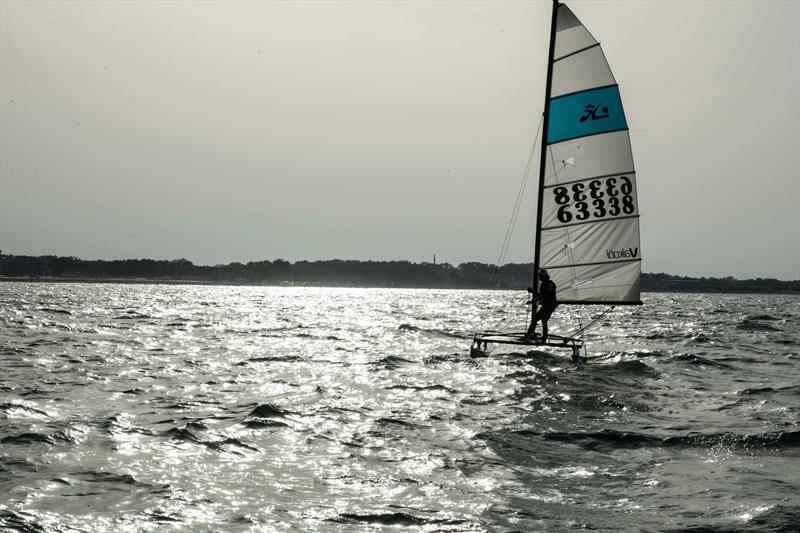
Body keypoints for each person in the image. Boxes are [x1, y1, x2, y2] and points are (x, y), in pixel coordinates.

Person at [525, 268, 557, 341]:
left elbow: (545, 294)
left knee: (544, 320)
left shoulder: (550, 284)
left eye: (541, 276)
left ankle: (544, 338)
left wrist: (534, 299)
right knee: (535, 318)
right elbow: (541, 295)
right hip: (545, 305)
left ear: (545, 276)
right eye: (540, 276)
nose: (540, 277)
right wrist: (533, 293)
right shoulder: (543, 284)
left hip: (550, 305)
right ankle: (528, 334)